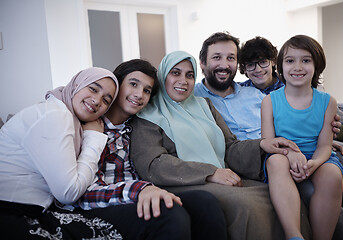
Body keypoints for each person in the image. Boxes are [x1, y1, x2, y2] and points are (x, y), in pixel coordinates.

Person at [130, 50, 311, 240]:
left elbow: (230, 147)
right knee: (244, 204)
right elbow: (154, 164)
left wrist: (263, 144)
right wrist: (211, 173)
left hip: (222, 175)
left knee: (280, 197)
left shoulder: (204, 105)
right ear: (162, 76)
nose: (183, 81)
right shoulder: (147, 114)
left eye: (189, 75)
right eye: (175, 73)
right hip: (183, 183)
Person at [195, 32, 343, 239]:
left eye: (231, 58)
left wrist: (324, 132)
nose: (225, 64)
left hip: (311, 149)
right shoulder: (195, 98)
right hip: (271, 156)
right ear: (202, 63)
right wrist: (291, 151)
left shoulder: (252, 92)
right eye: (216, 57)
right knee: (333, 187)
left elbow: (295, 107)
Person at [75, 59, 228, 240]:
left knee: (205, 203)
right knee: (170, 215)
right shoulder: (92, 128)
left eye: (147, 90)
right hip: (103, 204)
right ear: (116, 85)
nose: (139, 94)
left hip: (140, 194)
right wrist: (141, 189)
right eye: (133, 84)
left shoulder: (137, 126)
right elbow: (84, 193)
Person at [0, 67, 122, 239]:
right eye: (93, 89)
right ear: (77, 85)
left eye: (106, 100)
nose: (96, 100)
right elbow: (68, 193)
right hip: (11, 214)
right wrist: (94, 138)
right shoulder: (56, 115)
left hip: (30, 210)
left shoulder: (66, 117)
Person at [261, 34, 343, 240]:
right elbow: (268, 142)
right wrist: (290, 152)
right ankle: (294, 235)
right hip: (282, 155)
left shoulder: (327, 101)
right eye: (290, 61)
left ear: (317, 65)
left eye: (305, 60)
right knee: (276, 162)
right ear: (280, 66)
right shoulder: (270, 101)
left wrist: (314, 163)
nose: (297, 67)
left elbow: (325, 145)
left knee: (333, 175)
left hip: (317, 156)